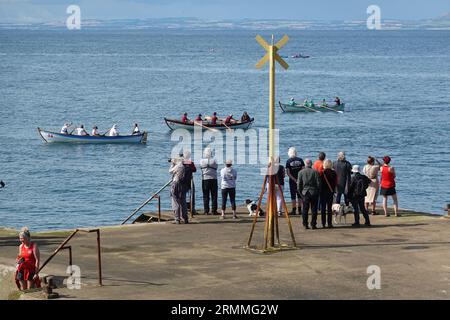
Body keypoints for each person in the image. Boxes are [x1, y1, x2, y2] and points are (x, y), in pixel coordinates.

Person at [297, 159, 321, 229]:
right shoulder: (315, 172)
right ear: (311, 164)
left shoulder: (301, 172)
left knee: (305, 209)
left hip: (305, 192)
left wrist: (301, 193)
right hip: (314, 192)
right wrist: (318, 191)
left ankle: (305, 224)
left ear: (305, 164)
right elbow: (318, 184)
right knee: (314, 209)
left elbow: (299, 185)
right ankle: (313, 224)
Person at [285, 147, 305, 215]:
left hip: (292, 181)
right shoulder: (301, 160)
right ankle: (300, 210)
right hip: (300, 180)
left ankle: (294, 210)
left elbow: (288, 173)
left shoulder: (288, 161)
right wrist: (299, 179)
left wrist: (294, 179)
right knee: (299, 195)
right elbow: (303, 170)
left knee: (293, 195)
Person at [169, 159, 188, 224]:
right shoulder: (183, 166)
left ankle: (177, 218)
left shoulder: (178, 166)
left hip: (176, 184)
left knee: (175, 201)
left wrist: (172, 165)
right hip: (183, 185)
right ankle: (185, 218)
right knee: (183, 201)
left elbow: (170, 171)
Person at [200, 148, 218, 215]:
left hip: (205, 179)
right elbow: (216, 168)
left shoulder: (202, 161)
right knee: (214, 195)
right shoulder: (214, 160)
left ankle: (206, 211)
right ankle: (214, 210)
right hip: (213, 179)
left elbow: (201, 168)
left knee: (205, 195)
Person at [320, 159, 337, 228]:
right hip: (330, 192)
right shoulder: (334, 173)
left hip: (323, 192)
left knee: (323, 208)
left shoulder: (322, 173)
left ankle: (323, 223)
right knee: (329, 208)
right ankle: (329, 223)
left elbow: (320, 183)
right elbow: (336, 182)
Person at [182, 150, 197, 214]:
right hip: (189, 180)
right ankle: (192, 209)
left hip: (184, 181)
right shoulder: (190, 162)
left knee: (183, 195)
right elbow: (194, 170)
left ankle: (184, 208)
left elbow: (194, 169)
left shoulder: (182, 162)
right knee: (192, 195)